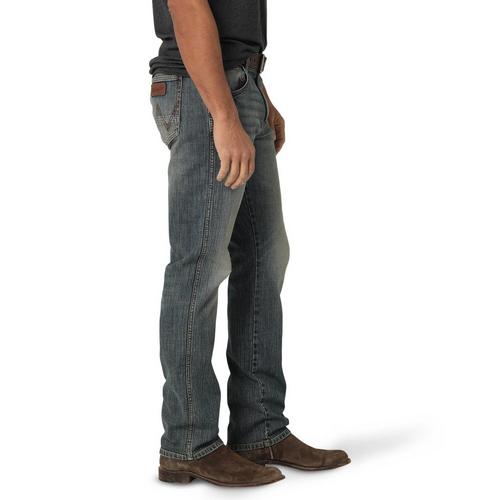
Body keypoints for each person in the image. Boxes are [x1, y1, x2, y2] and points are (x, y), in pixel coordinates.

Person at [149, 0, 350, 487]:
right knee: (199, 266)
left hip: (239, 85)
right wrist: (223, 114)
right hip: (203, 92)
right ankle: (188, 442)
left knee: (265, 257)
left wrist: (256, 96)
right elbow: (186, 6)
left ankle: (260, 428)